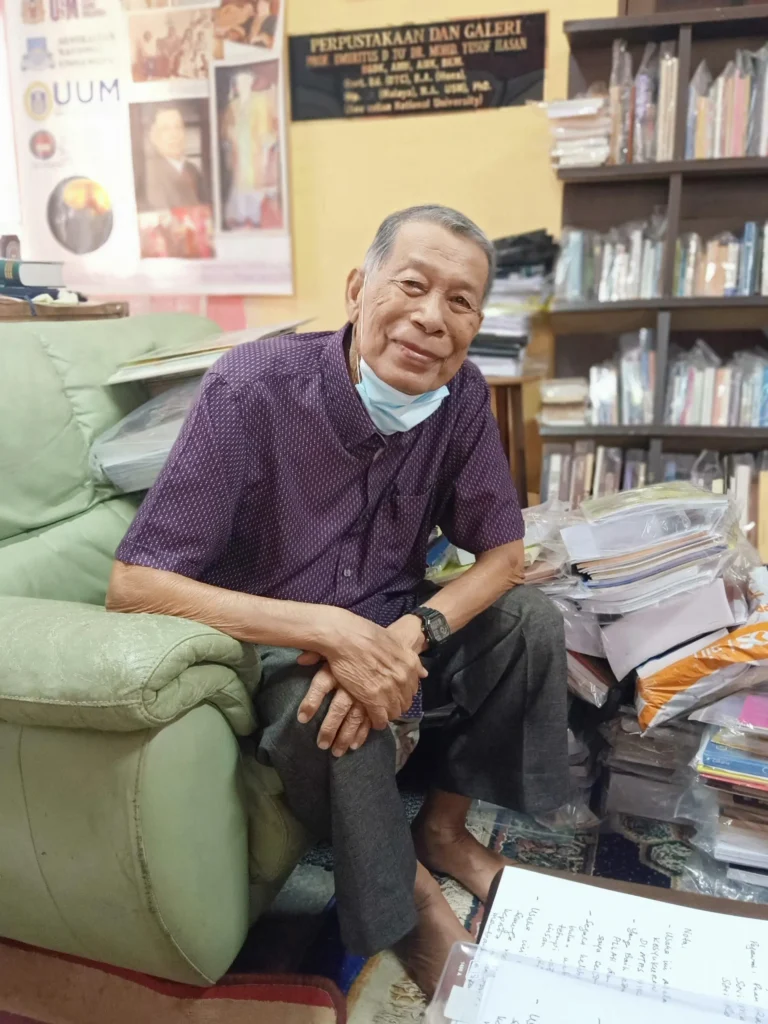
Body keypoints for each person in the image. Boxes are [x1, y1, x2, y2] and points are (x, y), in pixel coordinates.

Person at [106, 205, 569, 997]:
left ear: (475, 325)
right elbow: (134, 585)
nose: (432, 318)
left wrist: (412, 631)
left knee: (530, 621)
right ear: (358, 289)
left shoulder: (460, 395)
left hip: (392, 617)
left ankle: (444, 832)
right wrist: (331, 632)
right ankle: (411, 910)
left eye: (460, 302)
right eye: (412, 285)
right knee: (329, 709)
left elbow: (504, 556)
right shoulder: (250, 389)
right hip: (277, 639)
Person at [142, 106, 208, 211]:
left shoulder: (192, 169)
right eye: (166, 129)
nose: (174, 135)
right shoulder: (150, 172)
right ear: (153, 136)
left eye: (178, 127)